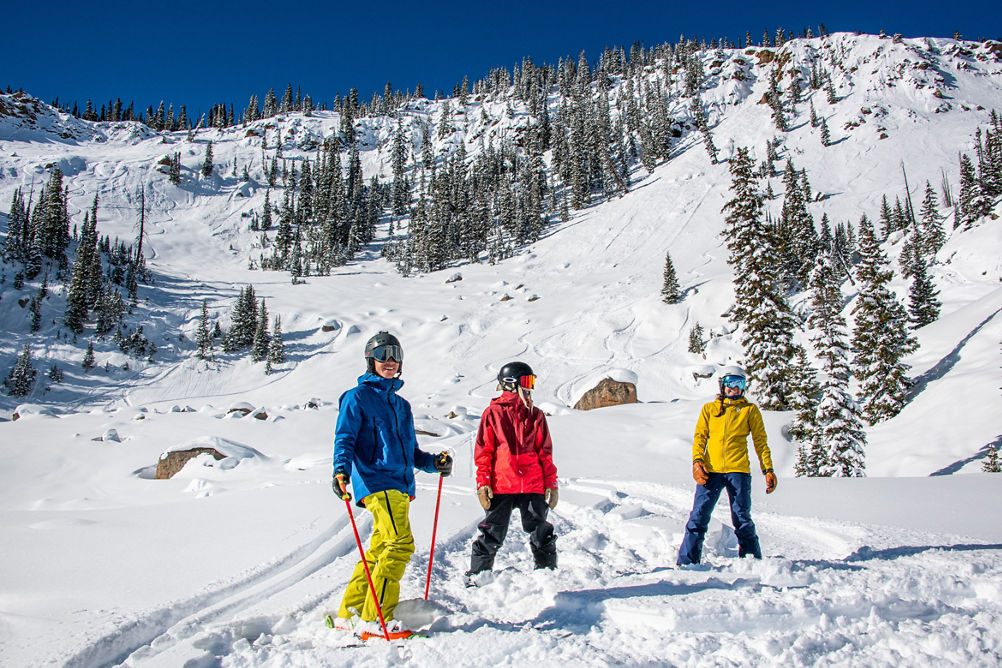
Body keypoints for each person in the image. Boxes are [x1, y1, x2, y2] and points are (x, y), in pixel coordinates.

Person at [330, 331, 453, 640]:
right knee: (400, 544)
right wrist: (340, 471)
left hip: (399, 488)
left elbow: (410, 453)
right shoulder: (357, 397)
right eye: (383, 354)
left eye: (395, 354)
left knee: (380, 549)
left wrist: (432, 463)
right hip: (375, 481)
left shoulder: (401, 406)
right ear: (371, 360)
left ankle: (352, 613)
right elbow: (344, 437)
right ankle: (377, 620)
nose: (390, 360)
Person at [466, 361, 558, 584]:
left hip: (532, 484)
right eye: (526, 382)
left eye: (531, 382)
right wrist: (483, 483)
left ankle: (547, 574)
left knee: (540, 529)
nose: (530, 387)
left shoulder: (535, 415)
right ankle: (479, 576)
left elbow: (544, 452)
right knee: (492, 532)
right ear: (511, 384)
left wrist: (551, 483)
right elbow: (484, 452)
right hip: (502, 483)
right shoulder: (493, 414)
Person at [677, 365, 777, 566]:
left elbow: (760, 441)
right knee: (698, 516)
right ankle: (687, 562)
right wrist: (697, 462)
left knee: (742, 517)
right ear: (722, 385)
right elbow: (700, 438)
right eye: (730, 383)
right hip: (711, 470)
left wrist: (768, 469)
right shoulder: (709, 409)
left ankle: (751, 561)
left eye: (739, 383)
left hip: (738, 471)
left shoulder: (749, 410)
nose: (735, 388)